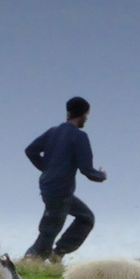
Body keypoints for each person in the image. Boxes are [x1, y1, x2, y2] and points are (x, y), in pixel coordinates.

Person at [23, 96, 105, 261]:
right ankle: (28, 263)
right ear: (82, 115)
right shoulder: (79, 137)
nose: (86, 120)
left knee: (85, 218)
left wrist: (46, 168)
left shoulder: (53, 132)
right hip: (60, 191)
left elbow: (30, 150)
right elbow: (86, 170)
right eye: (86, 116)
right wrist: (101, 176)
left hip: (50, 188)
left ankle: (58, 253)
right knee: (48, 232)